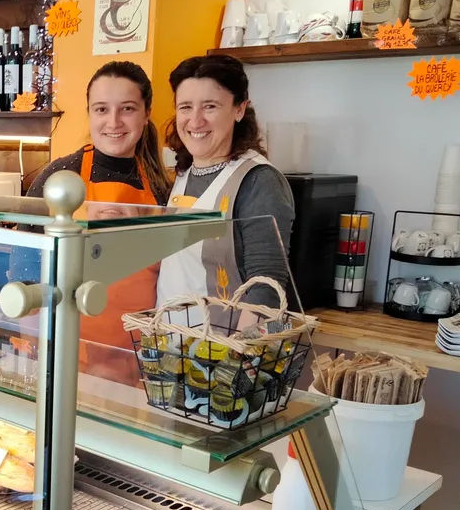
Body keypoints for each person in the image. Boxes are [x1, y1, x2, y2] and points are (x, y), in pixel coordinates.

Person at [26, 60, 167, 377]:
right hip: (69, 351)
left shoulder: (160, 185)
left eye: (127, 108)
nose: (113, 121)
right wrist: (36, 346)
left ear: (146, 114)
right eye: (101, 109)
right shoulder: (60, 175)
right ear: (89, 112)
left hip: (138, 355)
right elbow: (23, 264)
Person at [156, 55, 294, 318]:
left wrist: (237, 354)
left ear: (239, 109)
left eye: (210, 106)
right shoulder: (183, 172)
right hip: (170, 345)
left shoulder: (258, 180)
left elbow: (266, 288)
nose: (195, 121)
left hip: (220, 349)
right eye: (185, 107)